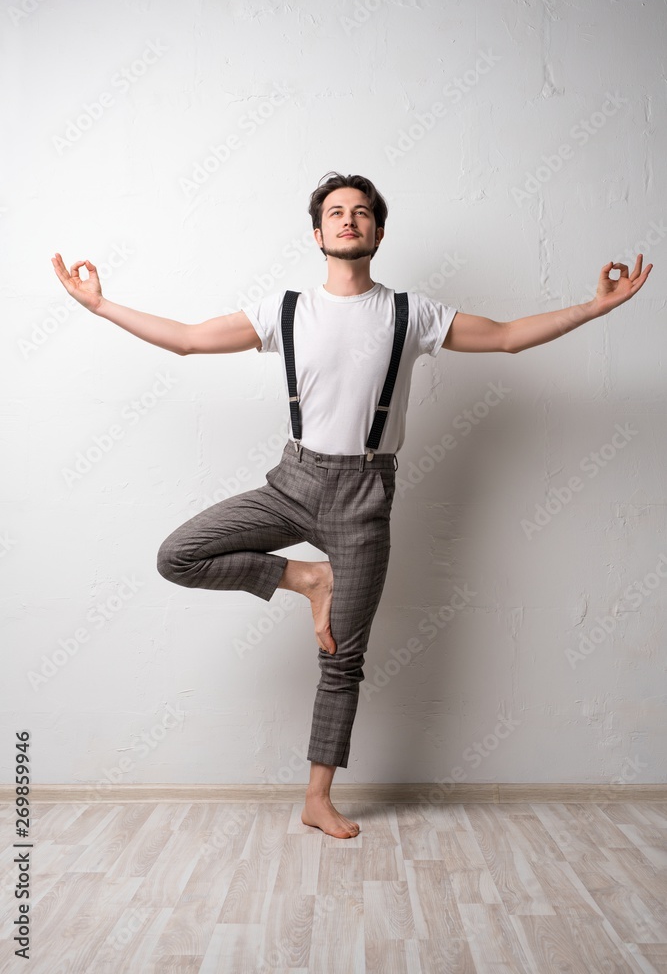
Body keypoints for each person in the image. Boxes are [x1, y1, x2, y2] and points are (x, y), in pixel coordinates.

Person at [52, 170, 653, 839]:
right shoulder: (283, 311)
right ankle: (308, 579)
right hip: (292, 482)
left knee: (341, 655)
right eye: (334, 212)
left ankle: (316, 797)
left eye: (360, 212)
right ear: (316, 233)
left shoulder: (411, 314)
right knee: (178, 555)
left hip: (366, 496)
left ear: (378, 231)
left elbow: (508, 336)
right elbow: (190, 338)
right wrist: (99, 306)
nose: (347, 220)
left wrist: (595, 308)